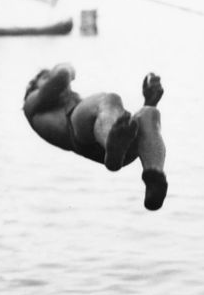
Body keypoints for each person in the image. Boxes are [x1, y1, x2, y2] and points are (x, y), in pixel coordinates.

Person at [23, 63, 168, 211]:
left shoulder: (76, 101)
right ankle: (112, 143)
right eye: (46, 77)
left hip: (115, 149)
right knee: (109, 99)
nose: (51, 79)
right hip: (77, 131)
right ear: (34, 87)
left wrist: (150, 100)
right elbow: (63, 75)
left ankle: (154, 176)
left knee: (149, 113)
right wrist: (65, 69)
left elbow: (140, 136)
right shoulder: (31, 103)